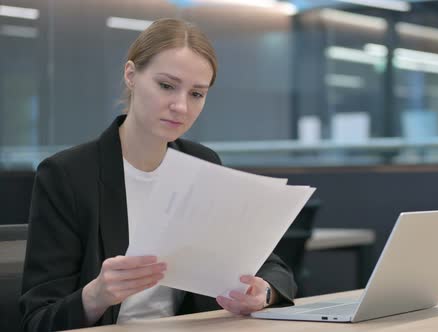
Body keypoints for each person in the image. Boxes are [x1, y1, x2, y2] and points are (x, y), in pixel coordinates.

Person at [19, 18, 296, 331]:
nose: (180, 106)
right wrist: (95, 295)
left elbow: (272, 267)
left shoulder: (202, 163)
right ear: (131, 75)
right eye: (166, 86)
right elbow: (37, 320)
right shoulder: (67, 175)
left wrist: (264, 293)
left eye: (197, 94)